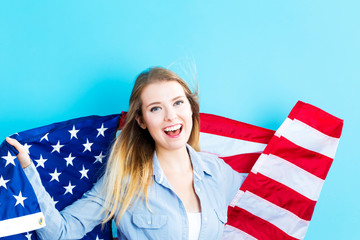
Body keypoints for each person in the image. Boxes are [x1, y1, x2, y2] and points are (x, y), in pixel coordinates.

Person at [6, 67, 245, 239]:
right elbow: (61, 233)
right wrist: (27, 172)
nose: (171, 116)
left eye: (178, 103)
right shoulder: (125, 179)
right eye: (155, 108)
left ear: (191, 108)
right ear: (141, 120)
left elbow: (262, 203)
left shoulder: (218, 172)